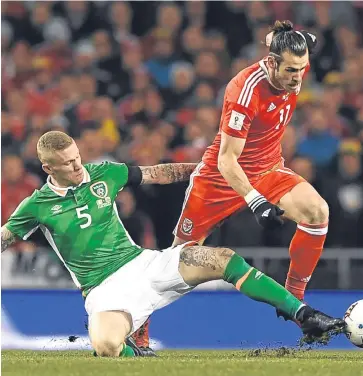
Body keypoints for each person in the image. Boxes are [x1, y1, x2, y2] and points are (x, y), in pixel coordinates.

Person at [1, 131, 345, 358]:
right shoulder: (36, 205)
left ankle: (303, 315)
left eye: (77, 157)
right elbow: (6, 237)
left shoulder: (103, 173)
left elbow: (158, 173)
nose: (78, 166)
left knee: (222, 258)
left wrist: (209, 170)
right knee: (106, 346)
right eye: (68, 163)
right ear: (48, 167)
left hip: (143, 265)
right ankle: (139, 354)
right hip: (103, 289)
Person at [172, 21, 324, 318]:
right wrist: (256, 202)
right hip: (219, 180)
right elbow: (227, 160)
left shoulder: (293, 49)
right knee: (177, 262)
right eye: (291, 71)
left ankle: (292, 298)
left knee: (317, 212)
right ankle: (139, 333)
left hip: (267, 169)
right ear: (272, 62)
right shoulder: (245, 90)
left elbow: (287, 40)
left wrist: (282, 34)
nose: (297, 78)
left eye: (302, 69)